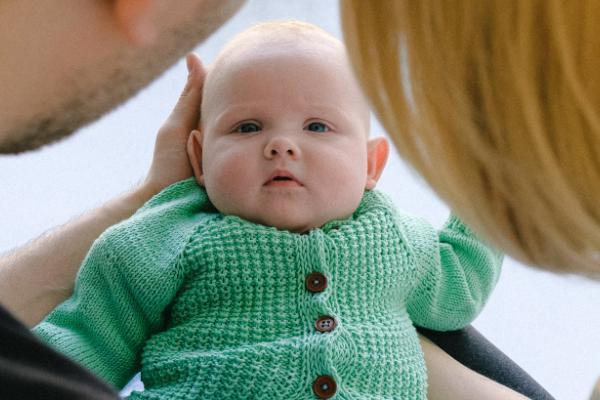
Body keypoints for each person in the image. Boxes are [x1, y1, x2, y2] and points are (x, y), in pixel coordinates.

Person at [32, 22, 506, 400]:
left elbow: (460, 284)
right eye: (247, 127)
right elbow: (84, 344)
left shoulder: (396, 238)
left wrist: (489, 177)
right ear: (198, 158)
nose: (281, 145)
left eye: (317, 126)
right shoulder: (163, 239)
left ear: (370, 163)